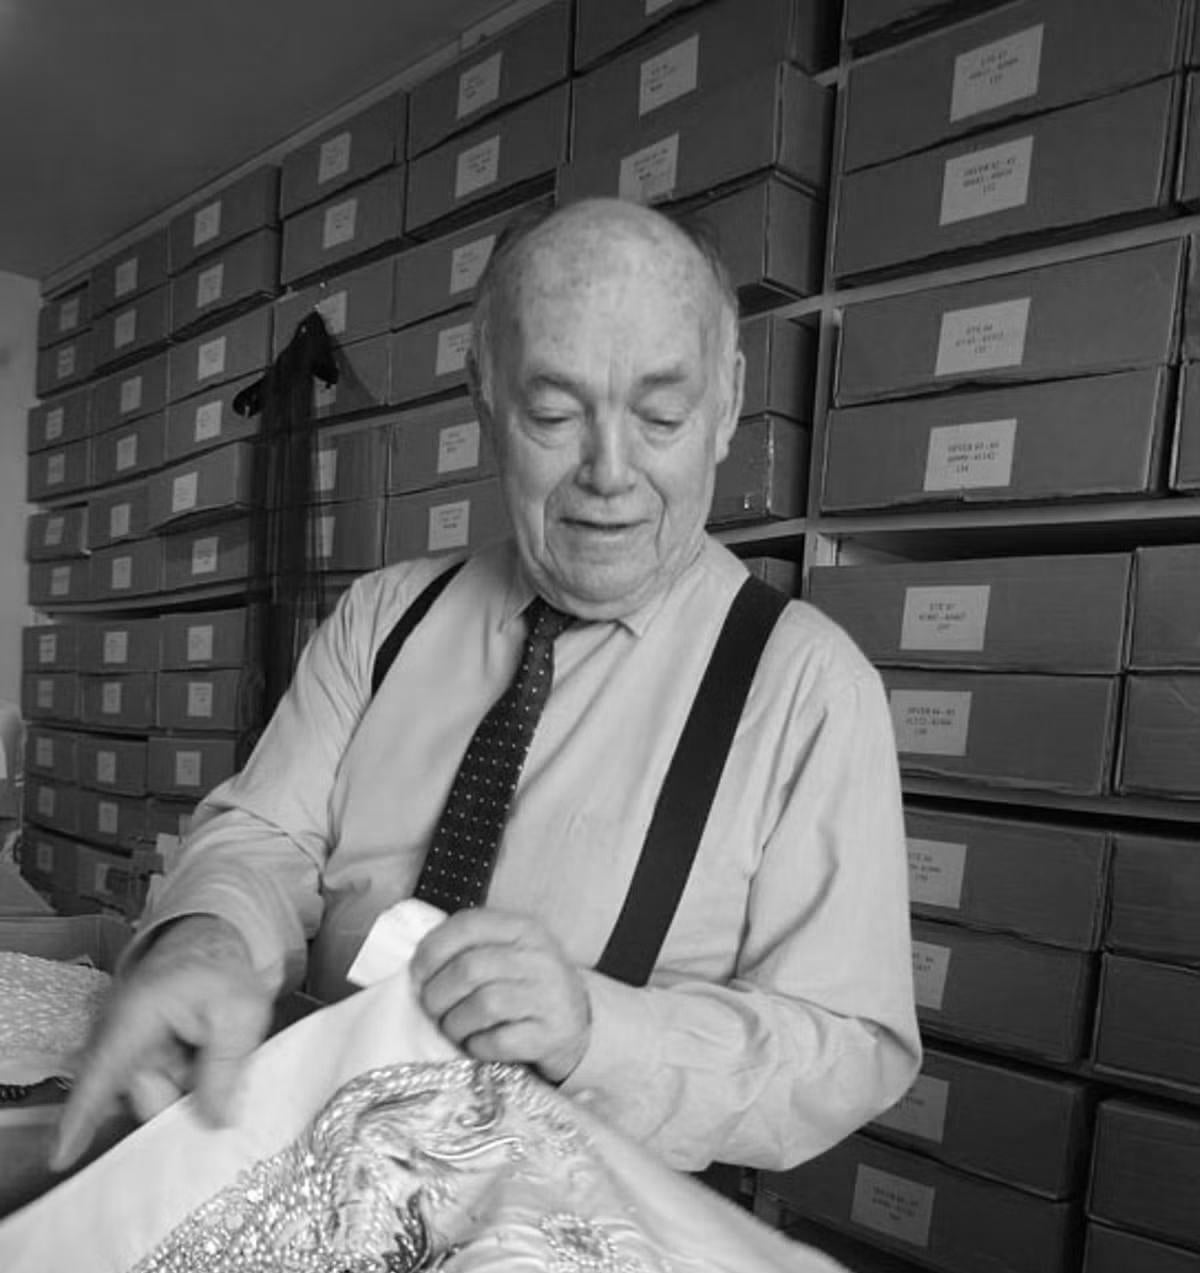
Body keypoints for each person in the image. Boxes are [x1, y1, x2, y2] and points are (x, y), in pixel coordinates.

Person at [53, 196, 920, 1176]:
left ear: (725, 404)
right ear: (486, 399)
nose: (609, 471)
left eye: (661, 415)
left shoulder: (807, 685)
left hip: (577, 1261)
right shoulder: (384, 620)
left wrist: (600, 1028)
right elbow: (267, 831)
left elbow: (850, 1045)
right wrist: (205, 932)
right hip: (319, 1175)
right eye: (553, 413)